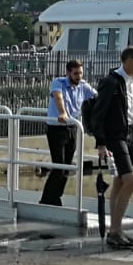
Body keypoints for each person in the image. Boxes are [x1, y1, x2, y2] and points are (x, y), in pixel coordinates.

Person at [94, 46, 133, 248]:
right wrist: (100, 142)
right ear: (129, 60)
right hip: (117, 136)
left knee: (119, 183)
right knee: (131, 182)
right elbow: (99, 112)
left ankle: (115, 230)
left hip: (130, 134)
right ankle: (114, 231)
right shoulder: (112, 82)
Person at [41, 59, 95, 207]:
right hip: (56, 127)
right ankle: (46, 199)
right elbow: (58, 97)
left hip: (72, 127)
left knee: (67, 167)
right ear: (68, 73)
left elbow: (97, 97)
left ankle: (56, 197)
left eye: (80, 73)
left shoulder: (83, 86)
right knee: (59, 165)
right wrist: (62, 112)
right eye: (75, 73)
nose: (78, 76)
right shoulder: (58, 83)